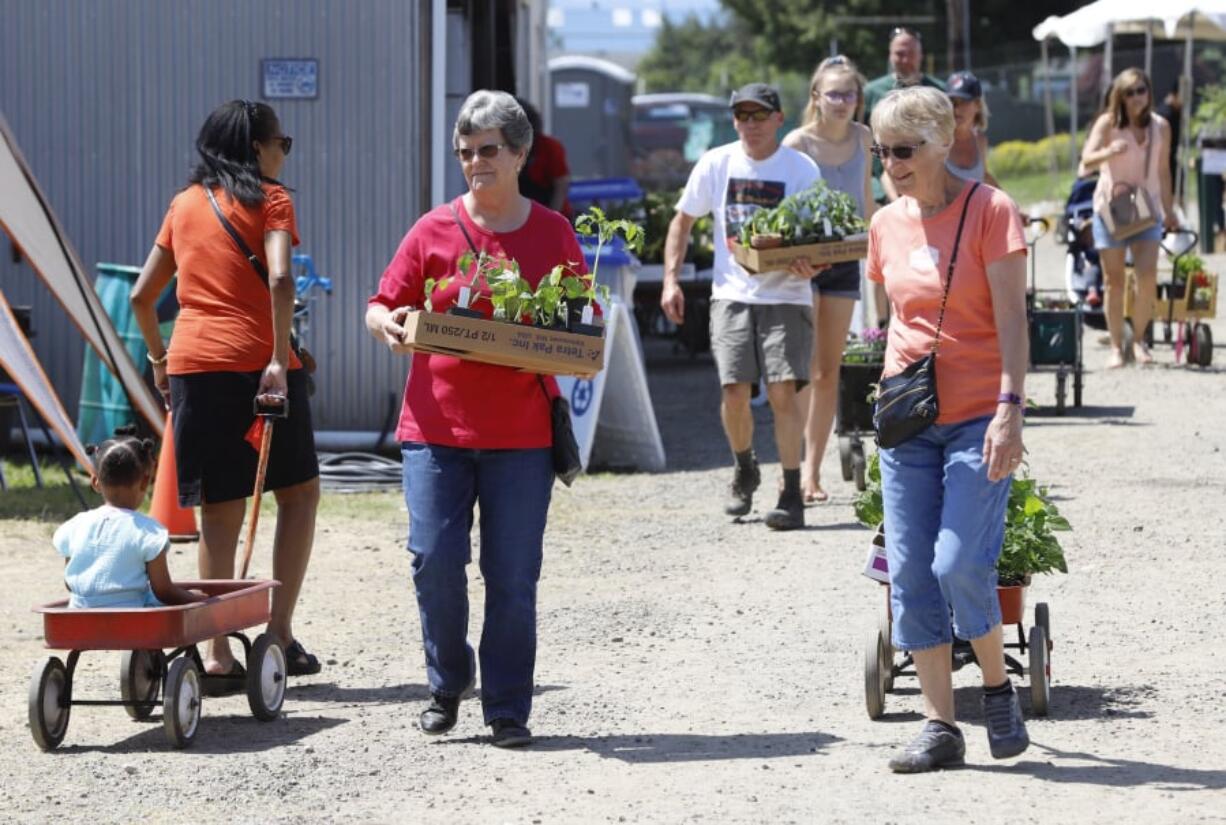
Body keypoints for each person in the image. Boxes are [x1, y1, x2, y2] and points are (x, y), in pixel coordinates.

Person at [366, 90, 585, 748]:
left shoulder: (553, 233)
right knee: (433, 559)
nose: (475, 162)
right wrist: (391, 325)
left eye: (489, 150)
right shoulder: (432, 230)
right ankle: (448, 677)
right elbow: (380, 304)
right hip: (435, 430)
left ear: (520, 154)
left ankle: (509, 706)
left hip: (520, 436)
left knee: (513, 574)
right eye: (465, 152)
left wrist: (576, 344)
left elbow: (581, 323)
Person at [131, 99, 323, 692]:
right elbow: (282, 277)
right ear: (258, 147)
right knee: (298, 494)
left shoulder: (184, 206)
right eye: (280, 143)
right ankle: (280, 634)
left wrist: (161, 363)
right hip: (261, 367)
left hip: (193, 364)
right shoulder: (273, 199)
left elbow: (142, 296)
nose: (282, 153)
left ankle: (216, 654)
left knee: (217, 513)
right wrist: (274, 357)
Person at [866, 86, 1031, 772]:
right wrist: (878, 394)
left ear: (943, 144)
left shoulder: (991, 211)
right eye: (882, 151)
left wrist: (1011, 410)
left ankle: (996, 686)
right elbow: (890, 323)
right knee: (908, 570)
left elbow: (1014, 325)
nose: (892, 163)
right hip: (910, 423)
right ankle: (941, 725)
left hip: (977, 419)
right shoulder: (884, 224)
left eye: (905, 150)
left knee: (958, 561)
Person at [660, 83, 824, 531]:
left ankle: (792, 493)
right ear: (734, 121)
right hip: (731, 295)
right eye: (742, 116)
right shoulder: (717, 162)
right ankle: (744, 465)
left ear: (778, 118)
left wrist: (813, 262)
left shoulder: (800, 168)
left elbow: (820, 235)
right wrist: (671, 279)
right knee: (734, 392)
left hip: (786, 295)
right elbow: (683, 220)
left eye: (759, 115)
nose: (750, 124)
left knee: (782, 392)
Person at [782, 56, 875, 503]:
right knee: (800, 370)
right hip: (802, 264)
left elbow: (867, 201)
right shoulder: (797, 143)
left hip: (846, 260)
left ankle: (812, 473)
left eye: (849, 93)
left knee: (827, 371)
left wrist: (880, 255)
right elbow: (781, 213)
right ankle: (792, 466)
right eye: (833, 93)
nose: (842, 101)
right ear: (816, 98)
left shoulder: (865, 137)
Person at [1080, 68, 1177, 368]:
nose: (1138, 97)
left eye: (1142, 90)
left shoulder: (1160, 126)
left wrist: (1170, 210)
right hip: (1112, 209)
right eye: (1131, 92)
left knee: (1148, 275)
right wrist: (1108, 151)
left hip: (1148, 210)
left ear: (1149, 92)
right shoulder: (1108, 124)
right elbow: (1086, 159)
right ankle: (1115, 347)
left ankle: (1139, 341)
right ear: (1120, 97)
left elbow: (1163, 171)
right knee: (1114, 280)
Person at [56, 430, 206, 609]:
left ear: (95, 482)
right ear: (144, 482)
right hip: (130, 621)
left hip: (79, 616)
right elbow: (164, 591)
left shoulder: (75, 526)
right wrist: (196, 599)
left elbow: (69, 582)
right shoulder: (149, 532)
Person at [516, 97, 573, 220]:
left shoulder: (550, 147)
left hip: (552, 213)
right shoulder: (502, 150)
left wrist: (551, 218)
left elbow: (561, 186)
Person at [944, 71, 1001, 188]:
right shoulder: (937, 141)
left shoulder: (980, 141)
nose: (956, 108)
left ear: (978, 105)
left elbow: (984, 176)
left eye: (963, 102)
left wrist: (1011, 203)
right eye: (952, 102)